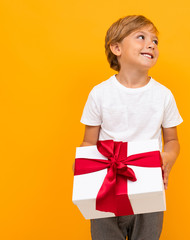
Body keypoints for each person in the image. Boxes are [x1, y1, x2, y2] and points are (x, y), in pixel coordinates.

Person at [73, 15, 183, 240]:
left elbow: (172, 140)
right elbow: (88, 141)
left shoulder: (163, 95)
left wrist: (168, 158)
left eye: (155, 41)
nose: (151, 44)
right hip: (106, 186)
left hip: (148, 187)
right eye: (141, 37)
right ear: (116, 48)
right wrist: (82, 171)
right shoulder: (99, 93)